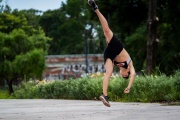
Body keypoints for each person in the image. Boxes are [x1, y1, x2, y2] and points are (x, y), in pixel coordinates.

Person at [88, 0, 136, 107]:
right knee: (106, 30)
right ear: (126, 72)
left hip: (109, 53)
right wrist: (129, 86)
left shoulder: (119, 66)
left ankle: (104, 95)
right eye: (124, 76)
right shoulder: (130, 65)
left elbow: (116, 71)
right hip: (117, 48)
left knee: (108, 73)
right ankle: (96, 8)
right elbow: (133, 74)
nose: (122, 75)